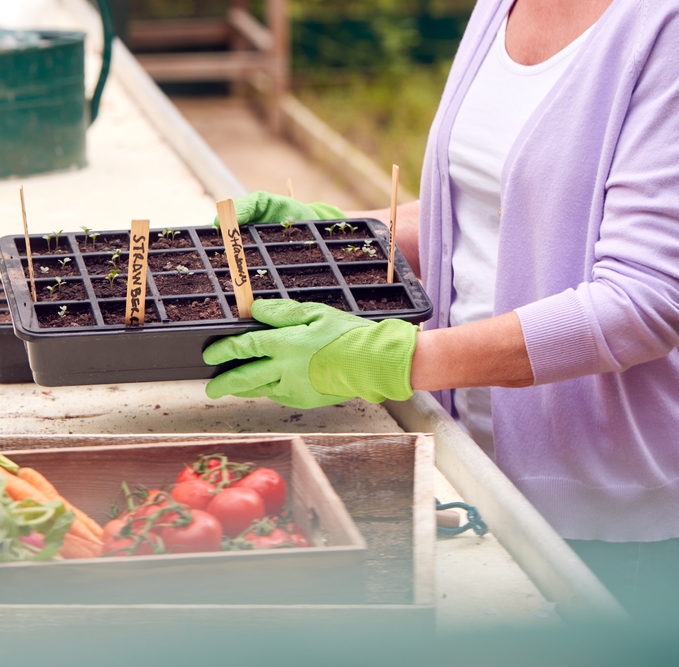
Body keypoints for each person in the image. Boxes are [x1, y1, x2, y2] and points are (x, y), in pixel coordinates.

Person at [203, 0, 679, 621]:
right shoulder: (500, 7)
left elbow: (643, 302)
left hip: (603, 514)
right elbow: (487, 214)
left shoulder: (662, 32)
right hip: (469, 465)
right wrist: (339, 243)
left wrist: (399, 359)